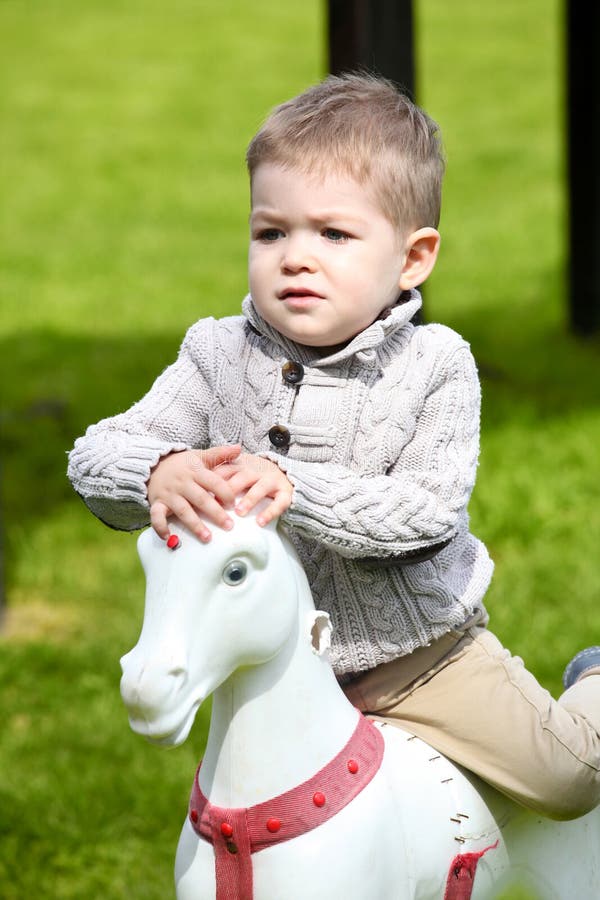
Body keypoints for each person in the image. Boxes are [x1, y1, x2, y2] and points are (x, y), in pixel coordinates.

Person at [68, 73, 600, 820]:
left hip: (416, 661)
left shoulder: (434, 366)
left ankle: (593, 684)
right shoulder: (218, 355)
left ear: (413, 259)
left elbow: (426, 512)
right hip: (278, 673)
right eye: (271, 232)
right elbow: (94, 454)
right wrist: (157, 468)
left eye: (334, 235)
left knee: (566, 782)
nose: (295, 257)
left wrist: (295, 486)